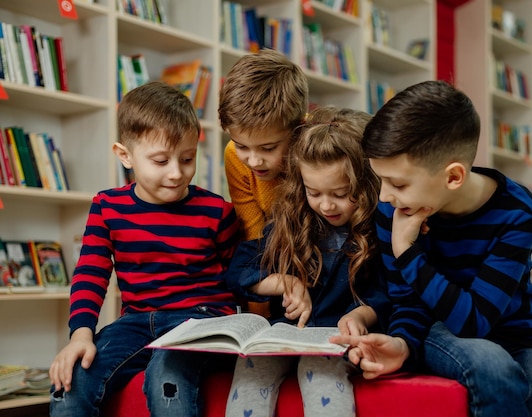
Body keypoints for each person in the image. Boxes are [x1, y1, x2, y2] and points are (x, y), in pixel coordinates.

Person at [330, 80, 532, 417]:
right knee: (492, 367)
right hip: (436, 328)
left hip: (513, 335)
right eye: (380, 179)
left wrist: (407, 252)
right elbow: (407, 301)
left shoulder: (519, 213)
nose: (383, 196)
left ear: (454, 176)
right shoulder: (395, 208)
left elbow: (476, 320)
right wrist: (402, 343)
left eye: (398, 183)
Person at [48, 81, 241, 417]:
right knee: (72, 380)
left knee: (166, 377)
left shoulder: (217, 212)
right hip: (136, 322)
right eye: (161, 160)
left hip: (201, 320)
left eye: (187, 158)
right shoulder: (107, 207)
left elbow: (239, 276)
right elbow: (90, 273)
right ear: (125, 155)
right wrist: (81, 334)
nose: (176, 173)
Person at [224, 107, 391, 417]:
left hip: (335, 340)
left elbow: (388, 295)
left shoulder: (379, 231)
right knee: (252, 363)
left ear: (366, 185)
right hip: (286, 333)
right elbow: (238, 270)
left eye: (341, 193)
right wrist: (284, 282)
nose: (326, 205)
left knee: (320, 369)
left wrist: (362, 316)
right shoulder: (293, 219)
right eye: (314, 192)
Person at [218, 48, 309, 241]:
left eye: (268, 148)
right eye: (242, 145)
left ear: (299, 129)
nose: (254, 161)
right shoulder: (234, 155)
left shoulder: (316, 147)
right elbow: (253, 235)